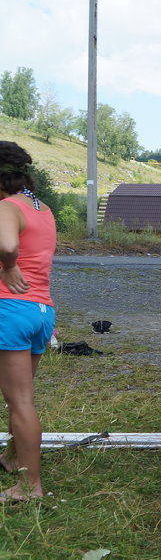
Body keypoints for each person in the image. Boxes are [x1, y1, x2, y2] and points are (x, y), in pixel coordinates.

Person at [0, 142, 56, 504]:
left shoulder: (6, 207)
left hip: (10, 310)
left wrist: (8, 266)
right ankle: (10, 458)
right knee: (19, 397)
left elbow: (7, 247)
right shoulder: (42, 207)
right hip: (41, 311)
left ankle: (29, 487)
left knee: (19, 401)